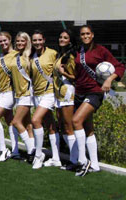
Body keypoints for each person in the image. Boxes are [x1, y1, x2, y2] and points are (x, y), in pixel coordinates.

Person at [72, 25, 124, 177]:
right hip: (79, 92)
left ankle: (82, 161)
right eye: (83, 34)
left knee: (76, 121)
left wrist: (109, 80)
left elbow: (120, 67)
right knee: (88, 129)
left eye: (88, 33)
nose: (85, 36)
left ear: (92, 35)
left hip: (95, 91)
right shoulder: (78, 51)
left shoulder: (101, 50)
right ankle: (94, 164)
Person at [30, 30, 59, 169]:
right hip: (37, 94)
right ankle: (56, 158)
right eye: (34, 40)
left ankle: (39, 154)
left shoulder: (52, 53)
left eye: (39, 40)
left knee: (35, 120)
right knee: (50, 125)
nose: (37, 43)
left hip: (49, 93)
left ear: (44, 40)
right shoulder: (31, 55)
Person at [0, 32, 20, 162]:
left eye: (5, 40)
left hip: (10, 92)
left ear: (10, 39)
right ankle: (15, 150)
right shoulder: (1, 56)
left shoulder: (16, 54)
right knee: (10, 120)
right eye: (0, 41)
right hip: (1, 92)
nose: (3, 43)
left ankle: (3, 149)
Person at [53, 29, 78, 170]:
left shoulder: (71, 56)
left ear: (70, 41)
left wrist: (64, 74)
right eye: (61, 37)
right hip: (58, 94)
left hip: (68, 92)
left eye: (65, 38)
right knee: (62, 127)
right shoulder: (60, 54)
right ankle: (74, 157)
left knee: (69, 127)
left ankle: (76, 160)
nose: (62, 39)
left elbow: (76, 77)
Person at [9, 32, 36, 162]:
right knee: (27, 125)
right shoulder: (15, 55)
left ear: (27, 42)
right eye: (18, 41)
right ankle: (32, 152)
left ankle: (32, 150)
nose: (20, 43)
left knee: (16, 122)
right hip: (19, 94)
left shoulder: (31, 55)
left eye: (22, 41)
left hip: (27, 93)